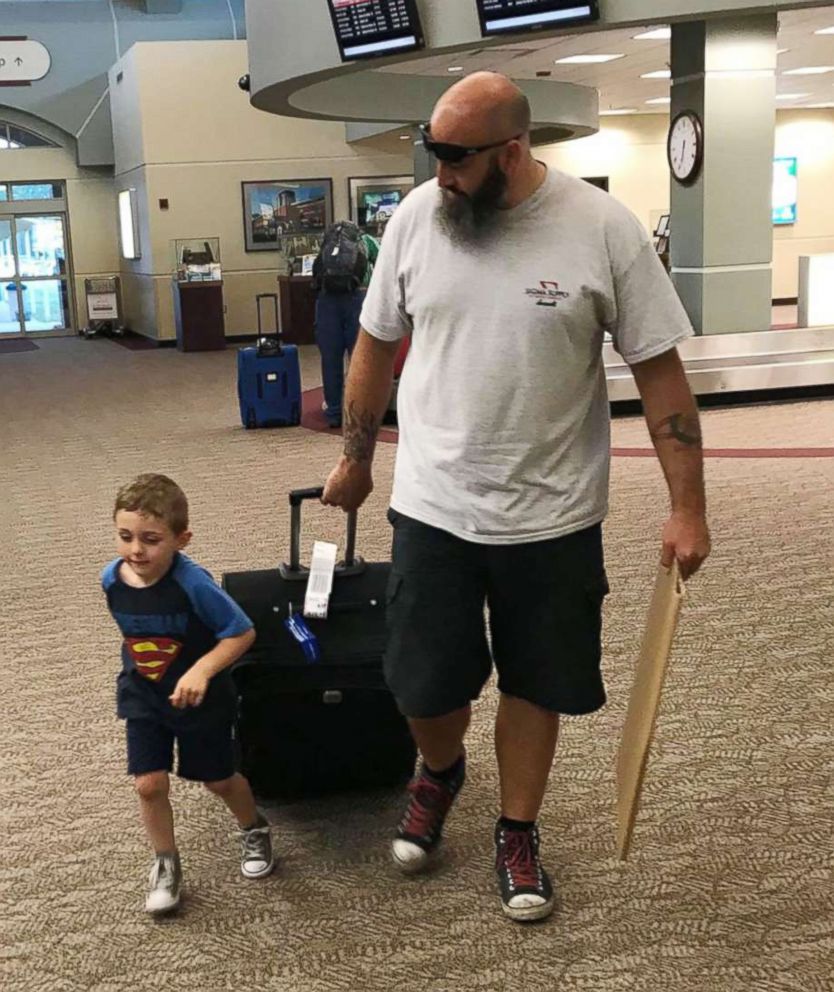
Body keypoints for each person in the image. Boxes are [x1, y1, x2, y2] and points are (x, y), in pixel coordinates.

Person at [323, 71, 711, 923]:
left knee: (537, 682)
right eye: (432, 151)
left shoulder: (600, 229)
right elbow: (373, 344)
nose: (439, 174)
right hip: (434, 504)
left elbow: (661, 376)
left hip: (555, 514)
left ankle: (515, 828)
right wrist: (355, 458)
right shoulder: (417, 223)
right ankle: (441, 769)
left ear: (512, 149)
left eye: (456, 158)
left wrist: (689, 506)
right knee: (422, 686)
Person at [102, 473, 273, 915]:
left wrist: (200, 671)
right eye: (125, 537)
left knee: (218, 780)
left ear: (182, 539)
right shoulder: (112, 579)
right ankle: (166, 863)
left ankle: (254, 827)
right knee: (148, 784)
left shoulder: (194, 583)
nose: (136, 550)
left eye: (151, 539)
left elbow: (241, 633)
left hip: (201, 698)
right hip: (144, 695)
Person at [313, 222, 380, 428]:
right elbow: (385, 267)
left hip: (327, 302)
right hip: (358, 298)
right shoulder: (366, 241)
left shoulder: (327, 242)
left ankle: (333, 412)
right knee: (360, 358)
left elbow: (317, 270)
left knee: (330, 358)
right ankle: (360, 413)